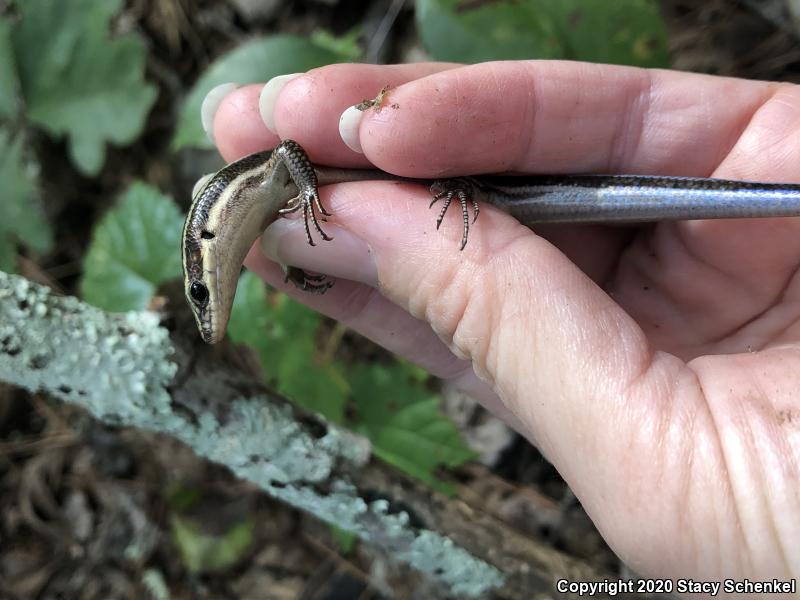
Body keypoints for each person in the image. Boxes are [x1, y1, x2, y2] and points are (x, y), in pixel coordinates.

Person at [201, 62, 800, 587]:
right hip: (463, 192)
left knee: (423, 152)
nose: (211, 309)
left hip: (469, 188)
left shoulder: (255, 184)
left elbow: (290, 154)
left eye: (202, 293)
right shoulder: (256, 220)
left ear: (207, 243)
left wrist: (310, 198)